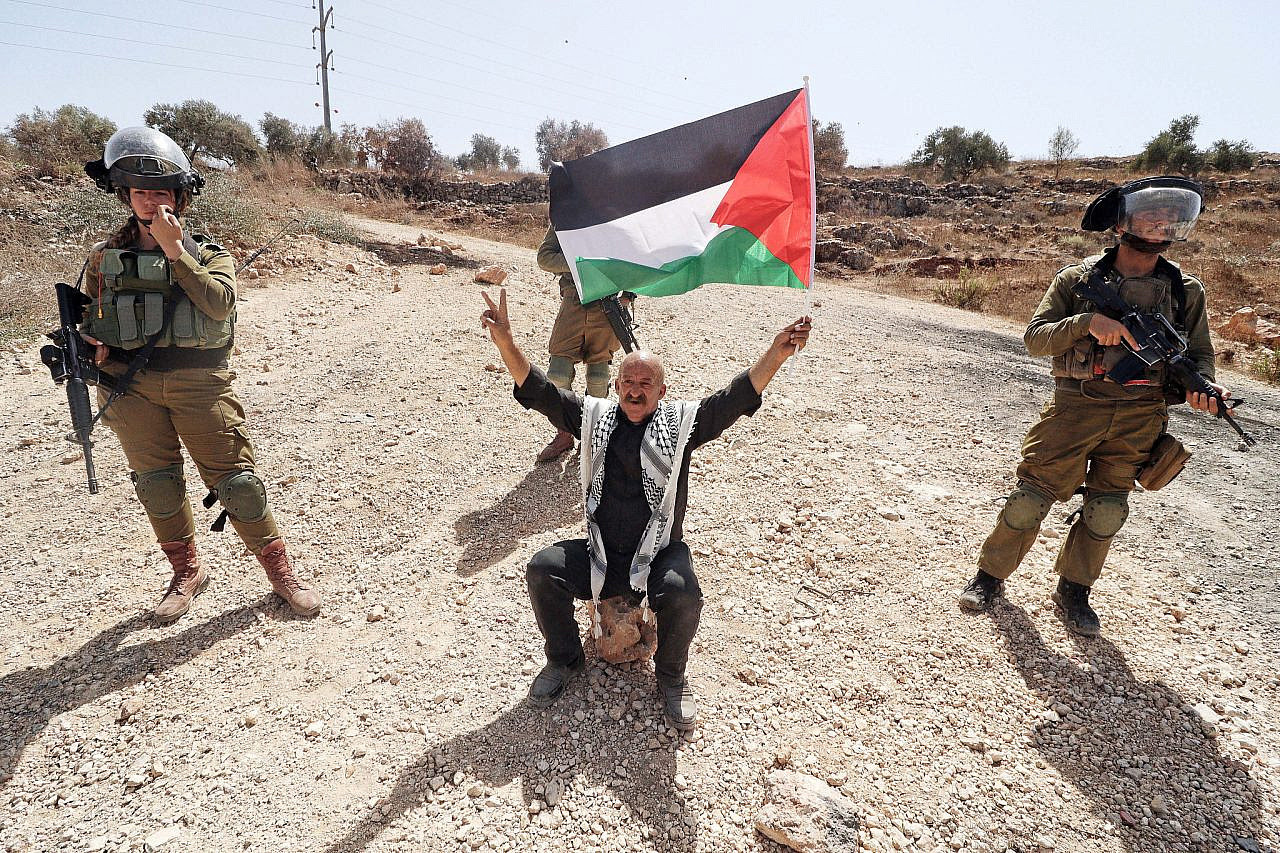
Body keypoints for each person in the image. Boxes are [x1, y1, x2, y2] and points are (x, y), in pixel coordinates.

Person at [480, 287, 811, 729]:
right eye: (628, 383)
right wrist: (506, 342)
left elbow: (736, 396)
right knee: (544, 569)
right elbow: (540, 390)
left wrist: (777, 353)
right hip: (603, 554)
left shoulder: (682, 426)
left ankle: (672, 676)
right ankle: (565, 659)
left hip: (656, 554)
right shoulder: (594, 418)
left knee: (683, 592)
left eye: (645, 383)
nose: (635, 391)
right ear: (616, 386)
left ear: (661, 389)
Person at [958, 176, 1226, 636]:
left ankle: (1074, 589)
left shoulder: (1186, 290)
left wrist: (1203, 390)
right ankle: (989, 577)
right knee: (1030, 499)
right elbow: (1035, 340)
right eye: (1149, 215)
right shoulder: (1078, 280)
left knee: (1107, 509)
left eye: (1169, 218)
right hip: (1076, 407)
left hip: (1141, 416)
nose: (1160, 225)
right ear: (1122, 222)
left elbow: (1199, 355)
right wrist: (1086, 322)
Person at [79, 126, 322, 624]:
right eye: (141, 192)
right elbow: (93, 320)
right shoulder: (105, 260)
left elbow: (218, 306)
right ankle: (187, 572)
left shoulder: (210, 255)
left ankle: (281, 575)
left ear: (180, 198)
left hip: (199, 383)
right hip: (130, 387)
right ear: (125, 196)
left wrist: (175, 252)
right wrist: (93, 350)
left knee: (237, 483)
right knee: (157, 482)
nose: (150, 201)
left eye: (161, 192)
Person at [533, 225, 628, 463]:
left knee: (598, 378)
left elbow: (635, 256)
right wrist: (581, 263)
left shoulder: (618, 215)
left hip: (606, 305)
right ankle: (564, 432)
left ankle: (593, 434)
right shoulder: (568, 216)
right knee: (557, 373)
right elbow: (545, 258)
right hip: (573, 302)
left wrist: (629, 293)